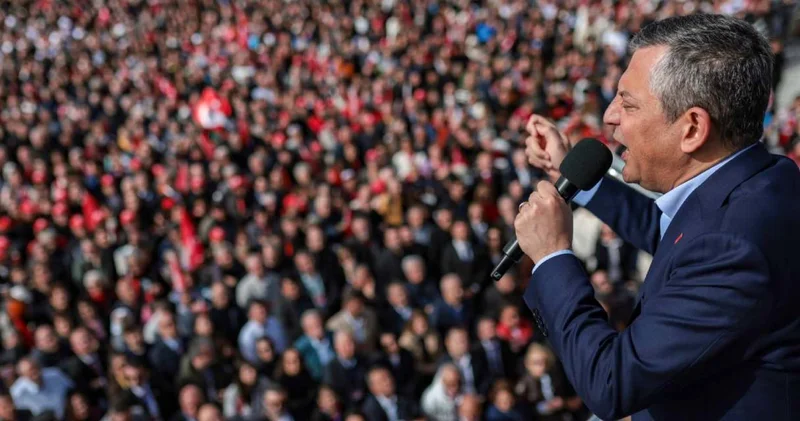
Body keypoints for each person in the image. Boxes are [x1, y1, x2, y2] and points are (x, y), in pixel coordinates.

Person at [516, 13, 800, 420]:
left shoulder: (734, 245)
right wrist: (574, 176)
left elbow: (610, 384)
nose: (610, 117)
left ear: (692, 129)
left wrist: (552, 257)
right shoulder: (762, 180)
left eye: (627, 103)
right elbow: (674, 235)